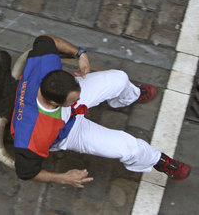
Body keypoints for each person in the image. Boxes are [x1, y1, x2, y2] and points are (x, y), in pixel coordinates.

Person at [11, 34, 191, 188]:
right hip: (66, 132)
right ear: (52, 102)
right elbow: (26, 172)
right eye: (75, 100)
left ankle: (127, 98)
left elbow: (46, 39)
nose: (80, 100)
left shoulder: (45, 65)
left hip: (62, 106)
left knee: (120, 78)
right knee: (129, 147)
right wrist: (64, 178)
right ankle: (159, 162)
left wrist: (79, 54)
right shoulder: (32, 135)